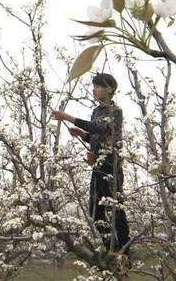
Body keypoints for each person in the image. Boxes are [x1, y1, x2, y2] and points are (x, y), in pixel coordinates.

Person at [51, 73, 130, 265]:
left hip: (111, 164)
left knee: (116, 208)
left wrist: (67, 117)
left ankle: (125, 252)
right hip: (98, 164)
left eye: (98, 86)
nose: (94, 89)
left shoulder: (115, 111)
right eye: (94, 86)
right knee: (95, 211)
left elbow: (100, 129)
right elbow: (96, 134)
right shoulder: (96, 111)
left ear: (110, 89)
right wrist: (83, 135)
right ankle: (110, 247)